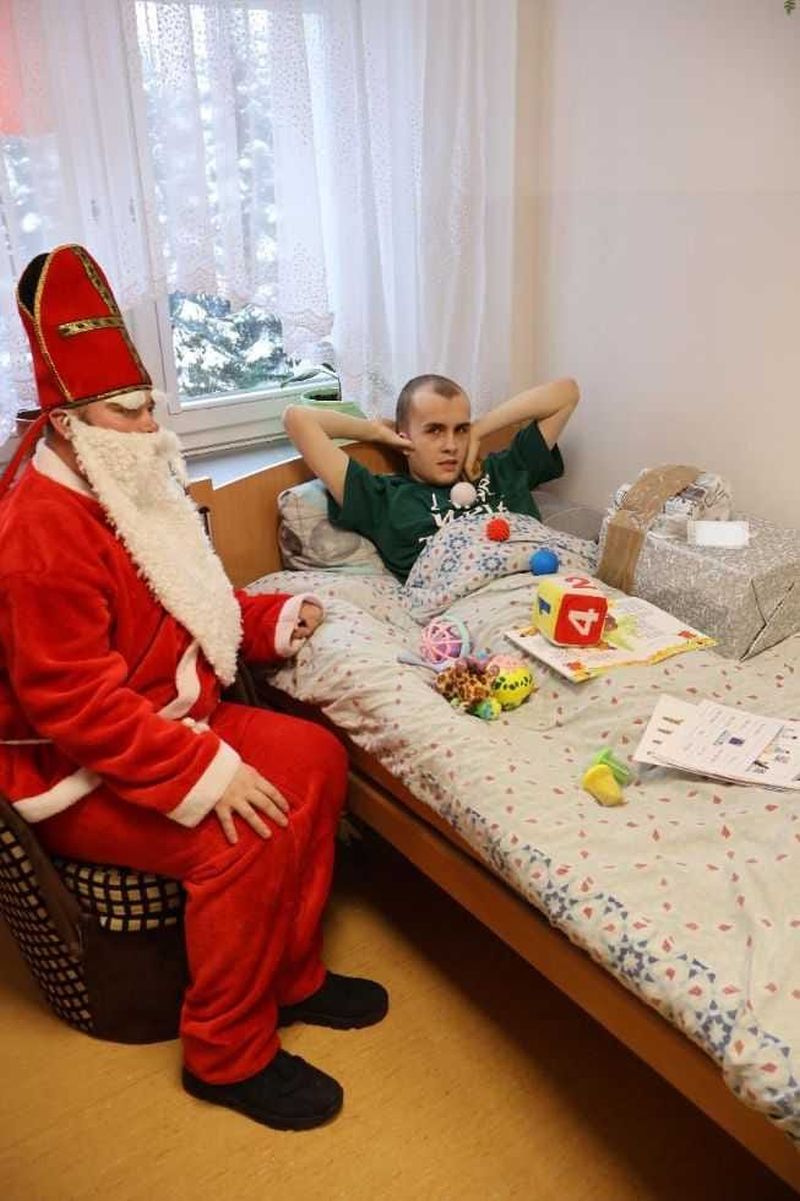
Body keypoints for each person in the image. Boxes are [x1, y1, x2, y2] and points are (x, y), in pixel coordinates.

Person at [0, 244, 388, 1132]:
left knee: (317, 760)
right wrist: (204, 773)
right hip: (73, 768)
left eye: (149, 405)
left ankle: (292, 976)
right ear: (67, 421)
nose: (151, 426)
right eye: (128, 411)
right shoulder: (38, 531)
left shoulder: (127, 478)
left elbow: (188, 593)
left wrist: (271, 618)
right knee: (245, 831)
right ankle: (226, 1052)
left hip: (167, 717)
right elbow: (73, 707)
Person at [283, 373, 580, 581]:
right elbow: (297, 419)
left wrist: (479, 429)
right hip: (483, 610)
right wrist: (374, 431)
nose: (451, 445)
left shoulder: (502, 471)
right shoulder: (384, 499)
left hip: (552, 585)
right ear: (404, 439)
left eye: (459, 430)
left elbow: (566, 392)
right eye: (434, 430)